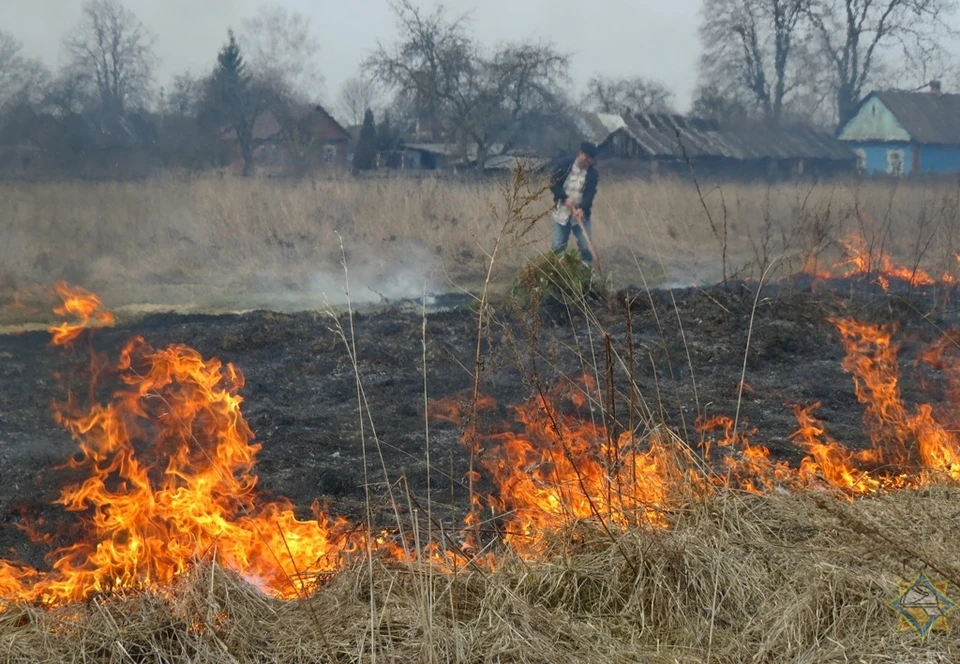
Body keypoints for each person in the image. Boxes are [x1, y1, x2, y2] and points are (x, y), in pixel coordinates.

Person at [550, 141, 600, 266]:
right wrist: (564, 198)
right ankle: (556, 272)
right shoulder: (564, 165)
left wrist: (582, 208)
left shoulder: (593, 174)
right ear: (581, 153)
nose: (588, 161)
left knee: (586, 246)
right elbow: (553, 184)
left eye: (591, 160)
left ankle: (587, 273)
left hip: (580, 216)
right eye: (587, 158)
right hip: (562, 213)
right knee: (557, 247)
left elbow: (590, 194)